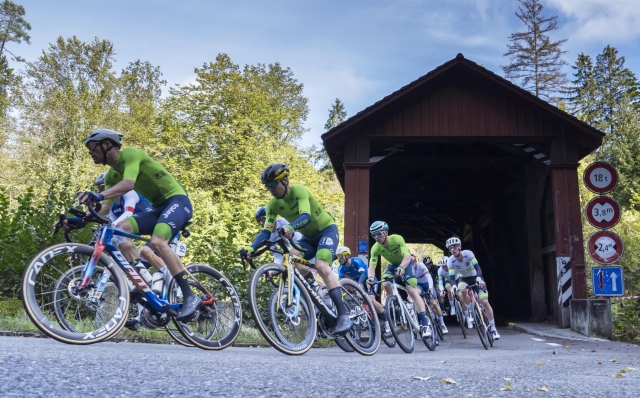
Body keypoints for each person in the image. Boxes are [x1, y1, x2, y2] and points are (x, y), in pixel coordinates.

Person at [78, 128, 199, 322]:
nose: (90, 152)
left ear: (107, 144)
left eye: (92, 146)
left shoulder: (131, 154)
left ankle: (190, 295)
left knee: (158, 242)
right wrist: (80, 220)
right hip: (158, 208)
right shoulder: (110, 176)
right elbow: (105, 207)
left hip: (177, 201)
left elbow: (128, 184)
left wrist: (98, 195)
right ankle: (141, 280)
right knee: (118, 230)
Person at [241, 164, 352, 335]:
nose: (270, 190)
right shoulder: (272, 205)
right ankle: (315, 287)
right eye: (267, 186)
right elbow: (266, 231)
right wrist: (251, 248)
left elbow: (305, 216)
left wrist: (291, 228)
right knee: (293, 257)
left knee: (322, 266)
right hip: (308, 238)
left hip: (326, 230)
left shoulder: (299, 191)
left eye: (272, 185)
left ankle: (343, 315)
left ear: (284, 181)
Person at [366, 221, 433, 338]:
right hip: (392, 266)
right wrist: (370, 278)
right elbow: (372, 266)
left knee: (411, 290)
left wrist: (402, 266)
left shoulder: (397, 239)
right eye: (373, 235)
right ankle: (396, 304)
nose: (376, 237)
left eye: (378, 234)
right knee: (386, 283)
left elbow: (407, 257)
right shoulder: (375, 248)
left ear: (386, 232)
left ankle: (425, 322)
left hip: (406, 263)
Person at [446, 237, 500, 340]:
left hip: (476, 277)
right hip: (463, 279)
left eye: (454, 247)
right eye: (450, 248)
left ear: (459, 247)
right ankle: (471, 309)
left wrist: (479, 278)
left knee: (484, 302)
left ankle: (493, 329)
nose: (453, 250)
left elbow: (478, 267)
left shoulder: (468, 254)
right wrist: (453, 286)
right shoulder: (450, 261)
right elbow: (452, 278)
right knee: (462, 290)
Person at [335, 246, 392, 337]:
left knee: (371, 301)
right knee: (359, 301)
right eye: (337, 256)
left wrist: (360, 283)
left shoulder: (356, 261)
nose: (339, 259)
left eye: (340, 256)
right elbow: (341, 282)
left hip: (369, 281)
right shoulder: (341, 268)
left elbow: (363, 274)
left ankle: (386, 321)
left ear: (347, 256)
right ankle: (368, 321)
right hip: (359, 284)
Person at [414, 256, 448, 334]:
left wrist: (430, 288)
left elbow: (429, 277)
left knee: (434, 303)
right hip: (419, 285)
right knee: (415, 294)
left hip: (428, 283)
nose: (428, 265)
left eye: (429, 264)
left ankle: (442, 324)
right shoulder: (409, 269)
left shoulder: (421, 265)